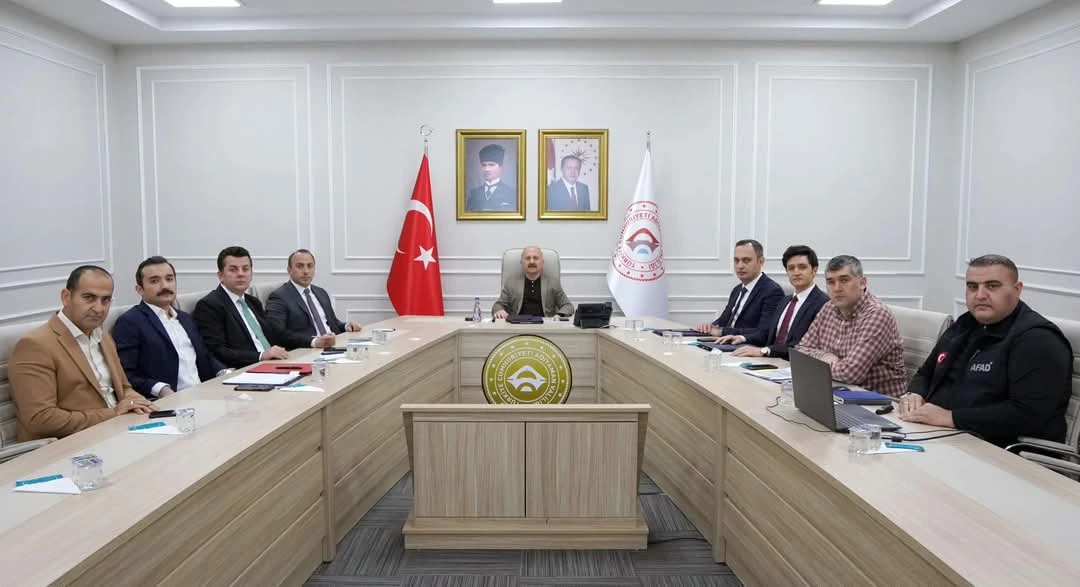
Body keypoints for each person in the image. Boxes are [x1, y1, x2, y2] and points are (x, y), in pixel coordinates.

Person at [900, 255, 1072, 446]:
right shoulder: (965, 324)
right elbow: (926, 373)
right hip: (938, 434)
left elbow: (1028, 414)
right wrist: (915, 394)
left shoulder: (1038, 339)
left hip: (1002, 450)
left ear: (1017, 289)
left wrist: (951, 417)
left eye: (992, 286)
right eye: (973, 287)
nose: (980, 295)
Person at [9, 266, 152, 441]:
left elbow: (123, 387)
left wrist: (136, 402)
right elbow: (40, 419)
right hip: (71, 444)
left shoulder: (102, 336)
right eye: (89, 298)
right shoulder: (35, 345)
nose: (99, 308)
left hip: (120, 431)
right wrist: (113, 413)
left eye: (106, 300)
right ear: (66, 297)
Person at [193, 246, 333, 368]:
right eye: (233, 270)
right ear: (220, 276)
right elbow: (217, 351)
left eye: (245, 269)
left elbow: (277, 334)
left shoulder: (252, 302)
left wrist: (314, 342)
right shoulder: (210, 305)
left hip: (276, 363)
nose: (241, 274)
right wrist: (261, 356)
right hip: (247, 369)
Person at [112, 256, 228, 400]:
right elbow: (126, 374)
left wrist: (224, 372)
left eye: (169, 279)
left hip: (203, 394)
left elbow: (204, 356)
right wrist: (161, 389)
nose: (164, 286)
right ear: (139, 289)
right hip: (168, 400)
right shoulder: (130, 322)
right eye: (154, 281)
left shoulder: (185, 318)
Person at [796, 255, 906, 397]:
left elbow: (850, 373)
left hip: (877, 400)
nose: (837, 288)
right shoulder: (828, 307)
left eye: (844, 280)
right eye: (831, 282)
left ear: (862, 283)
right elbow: (800, 350)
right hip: (836, 390)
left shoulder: (877, 314)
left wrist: (814, 364)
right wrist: (823, 355)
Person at [714, 245, 827, 359]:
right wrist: (741, 338)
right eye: (791, 268)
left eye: (802, 267)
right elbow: (766, 334)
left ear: (814, 270)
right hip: (770, 360)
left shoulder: (823, 303)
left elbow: (802, 345)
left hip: (794, 363)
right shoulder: (785, 301)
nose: (796, 272)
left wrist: (764, 351)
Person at [266, 249, 362, 344]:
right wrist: (314, 342)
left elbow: (333, 322)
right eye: (300, 266)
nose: (306, 271)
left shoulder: (321, 292)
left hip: (334, 344)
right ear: (289, 270)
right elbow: (278, 333)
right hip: (307, 349)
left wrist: (346, 326)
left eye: (310, 266)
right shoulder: (279, 297)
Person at [696, 239, 784, 336]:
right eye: (736, 260)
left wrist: (722, 332)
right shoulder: (737, 289)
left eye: (746, 260)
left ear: (761, 261)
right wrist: (710, 326)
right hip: (724, 341)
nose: (740, 266)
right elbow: (723, 321)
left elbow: (764, 332)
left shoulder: (772, 291)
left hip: (745, 344)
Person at [492, 246, 574, 319]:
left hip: (545, 326)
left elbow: (568, 306)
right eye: (528, 258)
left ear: (542, 262)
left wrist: (559, 315)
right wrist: (499, 310)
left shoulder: (553, 282)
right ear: (521, 262)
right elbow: (498, 305)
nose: (531, 261)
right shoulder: (511, 282)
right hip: (517, 325)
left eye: (535, 258)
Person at [465, 143, 517, 212]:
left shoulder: (511, 193)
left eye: (491, 165)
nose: (486, 169)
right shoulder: (474, 194)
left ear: (500, 167)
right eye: (484, 165)